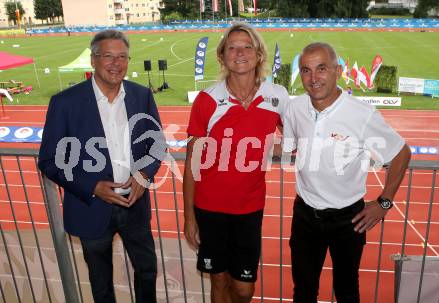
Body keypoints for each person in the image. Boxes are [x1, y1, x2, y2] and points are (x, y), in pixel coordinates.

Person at [38, 30, 166, 303]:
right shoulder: (65, 103)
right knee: (101, 284)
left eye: (122, 57)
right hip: (91, 207)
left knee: (147, 271)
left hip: (135, 206)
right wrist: (92, 186)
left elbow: (156, 145)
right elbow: (49, 160)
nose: (116, 63)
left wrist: (144, 175)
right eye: (108, 56)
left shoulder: (141, 95)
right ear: (93, 59)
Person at [282, 42, 411, 303]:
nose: (313, 78)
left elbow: (401, 153)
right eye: (306, 70)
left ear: (337, 71)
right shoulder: (295, 108)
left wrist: (384, 202)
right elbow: (290, 145)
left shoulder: (361, 114)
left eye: (321, 69)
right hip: (305, 215)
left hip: (348, 219)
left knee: (347, 291)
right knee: (303, 292)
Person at [183, 23, 290, 303]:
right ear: (222, 56)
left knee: (243, 288)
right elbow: (192, 164)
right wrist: (189, 217)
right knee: (218, 281)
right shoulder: (207, 100)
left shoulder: (277, 96)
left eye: (247, 47)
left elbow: (298, 135)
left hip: (249, 208)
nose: (239, 53)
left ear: (259, 55)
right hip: (209, 208)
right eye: (232, 47)